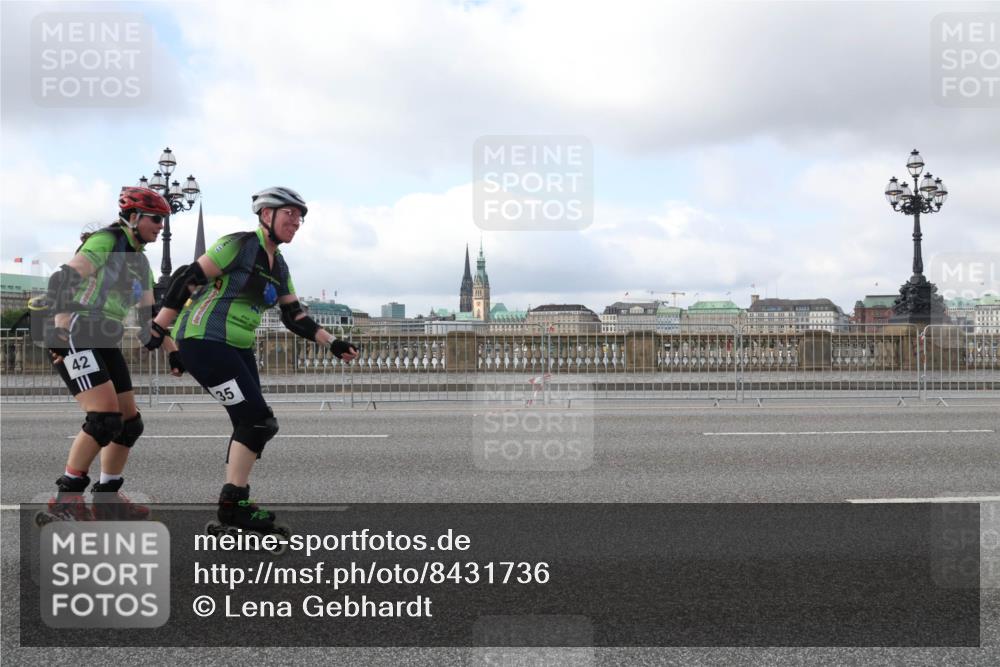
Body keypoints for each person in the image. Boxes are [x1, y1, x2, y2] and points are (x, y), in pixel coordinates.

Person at [144, 186, 358, 535]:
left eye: (300, 217)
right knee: (258, 422)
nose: (296, 222)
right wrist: (159, 327)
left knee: (251, 424)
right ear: (266, 214)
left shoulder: (280, 265)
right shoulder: (239, 244)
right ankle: (233, 506)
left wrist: (333, 343)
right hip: (204, 340)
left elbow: (294, 316)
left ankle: (234, 505)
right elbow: (188, 278)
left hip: (238, 348)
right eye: (289, 213)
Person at [35, 186, 184, 523]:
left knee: (130, 424)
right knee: (104, 419)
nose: (161, 226)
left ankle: (107, 499)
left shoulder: (140, 261)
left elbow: (149, 319)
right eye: (156, 219)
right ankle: (66, 500)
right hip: (77, 329)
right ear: (134, 217)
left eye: (164, 220)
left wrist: (173, 352)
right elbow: (63, 280)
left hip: (105, 337)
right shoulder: (107, 240)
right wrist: (59, 329)